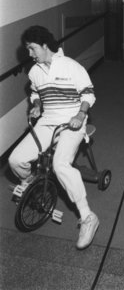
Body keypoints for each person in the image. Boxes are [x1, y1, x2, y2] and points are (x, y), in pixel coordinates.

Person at [9, 25, 99, 249]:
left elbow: (88, 93)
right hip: (48, 121)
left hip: (72, 121)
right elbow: (36, 93)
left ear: (44, 45)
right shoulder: (35, 71)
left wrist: (80, 114)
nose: (29, 54)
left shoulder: (70, 66)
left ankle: (88, 217)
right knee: (15, 159)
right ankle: (32, 185)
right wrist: (37, 105)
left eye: (32, 48)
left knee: (60, 165)